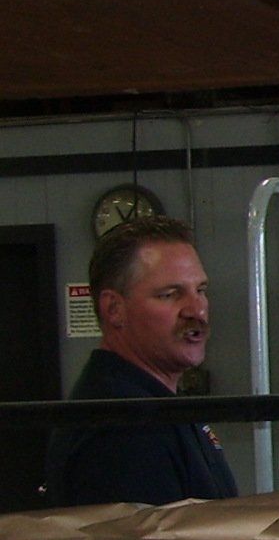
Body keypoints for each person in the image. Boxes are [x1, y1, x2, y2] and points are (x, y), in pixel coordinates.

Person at [44, 216, 239, 507]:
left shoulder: (156, 406)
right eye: (170, 295)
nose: (197, 310)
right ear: (114, 309)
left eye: (200, 290)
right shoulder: (121, 431)